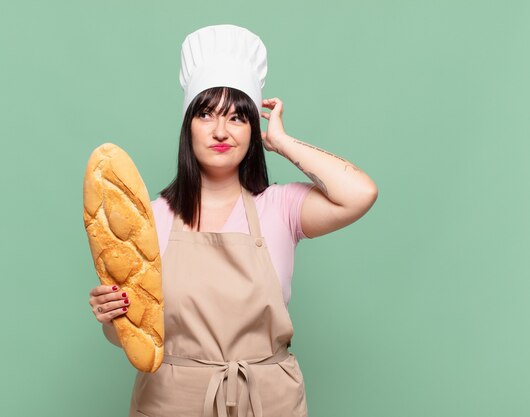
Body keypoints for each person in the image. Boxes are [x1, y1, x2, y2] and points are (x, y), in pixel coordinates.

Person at [88, 24, 378, 417]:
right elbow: (129, 335)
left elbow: (360, 193)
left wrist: (283, 144)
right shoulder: (151, 218)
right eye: (206, 114)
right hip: (172, 401)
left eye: (237, 118)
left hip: (267, 399)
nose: (221, 131)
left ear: (252, 130)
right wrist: (112, 317)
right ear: (187, 125)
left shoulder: (281, 207)